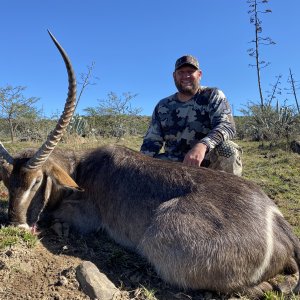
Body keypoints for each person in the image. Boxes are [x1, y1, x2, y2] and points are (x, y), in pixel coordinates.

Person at [140, 55, 242, 176]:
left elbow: (227, 126)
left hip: (205, 160)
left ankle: (227, 193)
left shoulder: (212, 95)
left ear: (199, 74)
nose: (185, 76)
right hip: (173, 163)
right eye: (181, 72)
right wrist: (139, 166)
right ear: (174, 76)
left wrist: (202, 146)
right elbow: (151, 142)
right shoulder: (163, 105)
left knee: (229, 149)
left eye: (190, 72)